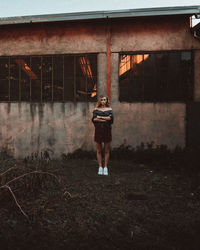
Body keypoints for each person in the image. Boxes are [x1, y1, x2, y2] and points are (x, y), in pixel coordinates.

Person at [92, 96, 114, 175]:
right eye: (102, 100)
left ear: (107, 101)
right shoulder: (96, 109)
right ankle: (100, 167)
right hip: (98, 130)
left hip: (107, 130)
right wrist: (105, 118)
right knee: (98, 150)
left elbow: (111, 119)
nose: (103, 101)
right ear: (100, 101)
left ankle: (105, 167)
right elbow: (94, 119)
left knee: (106, 150)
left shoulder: (110, 109)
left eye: (105, 99)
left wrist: (100, 117)